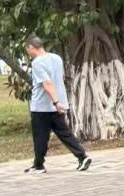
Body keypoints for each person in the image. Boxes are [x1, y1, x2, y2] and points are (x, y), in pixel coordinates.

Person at [24, 36, 91, 174]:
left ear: (31, 47)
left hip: (42, 106)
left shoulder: (37, 63)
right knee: (65, 133)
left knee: (40, 137)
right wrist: (59, 102)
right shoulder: (56, 58)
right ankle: (82, 156)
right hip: (58, 104)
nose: (27, 52)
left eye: (27, 49)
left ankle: (39, 166)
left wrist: (55, 102)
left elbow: (47, 83)